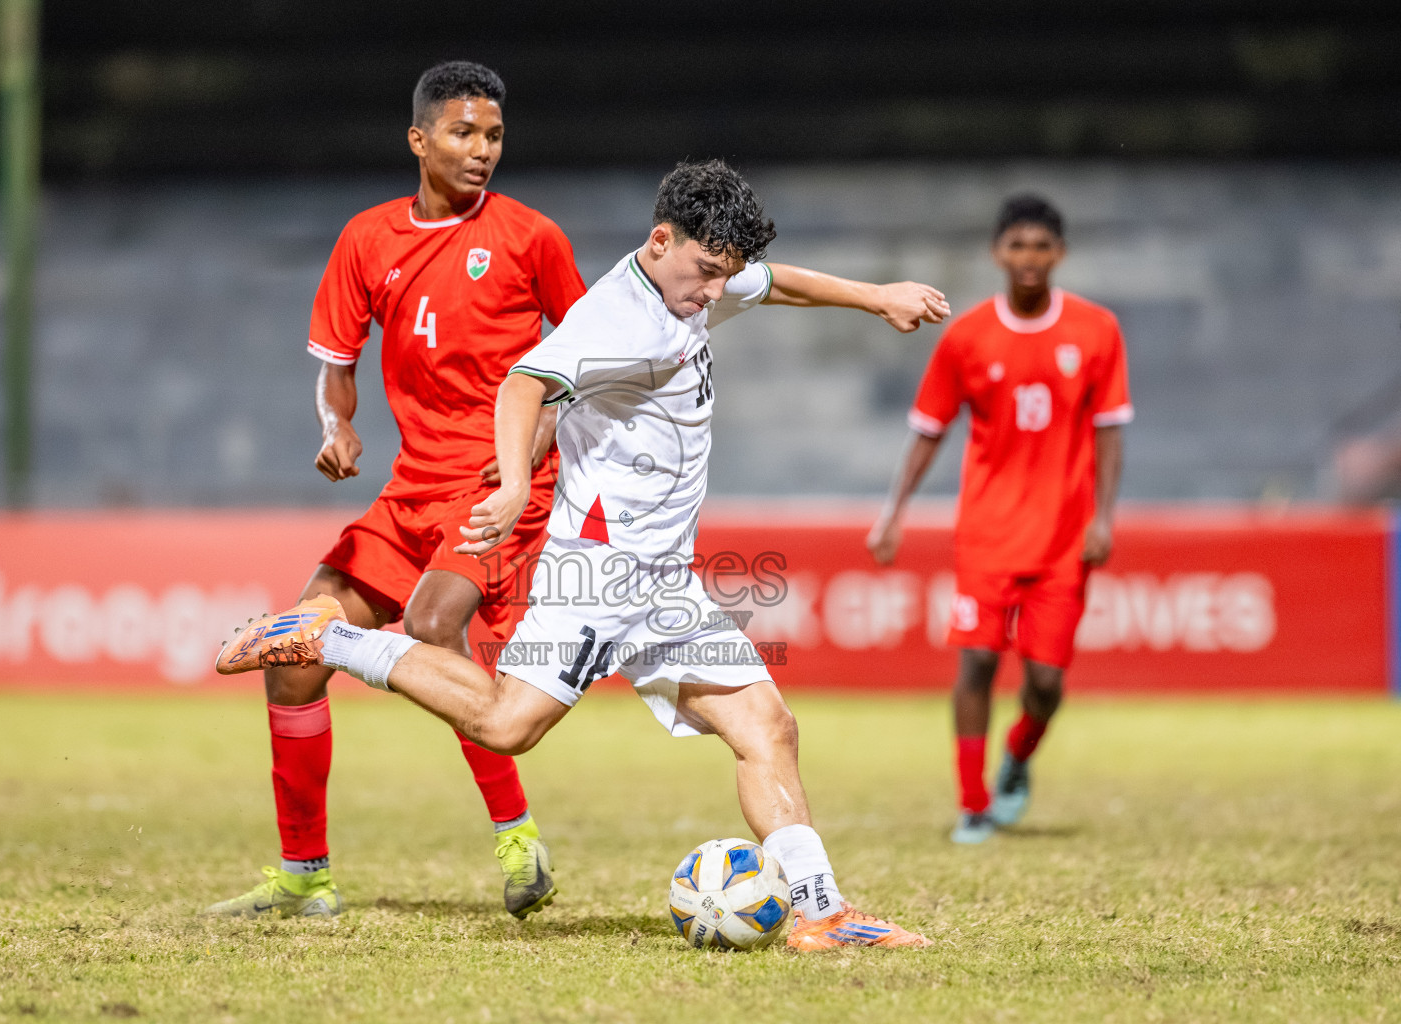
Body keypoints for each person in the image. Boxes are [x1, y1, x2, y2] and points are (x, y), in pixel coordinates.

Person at [218, 159, 950, 949]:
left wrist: (877, 297)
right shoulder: (618, 318)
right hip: (599, 574)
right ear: (659, 239)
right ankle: (327, 636)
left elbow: (775, 283)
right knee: (506, 724)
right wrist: (508, 487)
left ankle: (821, 914)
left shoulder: (693, 280)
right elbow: (524, 382)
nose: (713, 292)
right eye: (705, 273)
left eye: (722, 276)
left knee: (767, 727)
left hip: (663, 580)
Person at [204, 61, 586, 920]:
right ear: (419, 140)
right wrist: (336, 430)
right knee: (296, 654)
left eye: (493, 135)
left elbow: (590, 357)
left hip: (497, 490)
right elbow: (335, 369)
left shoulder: (533, 238)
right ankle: (304, 875)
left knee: (431, 623)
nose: (482, 150)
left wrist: (543, 439)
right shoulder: (367, 240)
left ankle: (517, 835)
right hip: (411, 490)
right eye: (463, 133)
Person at [866, 194, 1132, 844]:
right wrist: (893, 511)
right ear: (997, 253)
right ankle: (973, 802)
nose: (1030, 258)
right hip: (986, 533)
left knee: (1045, 682)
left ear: (1059, 253)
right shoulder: (968, 336)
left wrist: (1103, 517)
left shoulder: (1097, 331)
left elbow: (1110, 429)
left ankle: (1017, 755)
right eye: (1018, 246)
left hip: (1064, 538)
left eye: (1042, 246)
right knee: (978, 662)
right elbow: (929, 429)